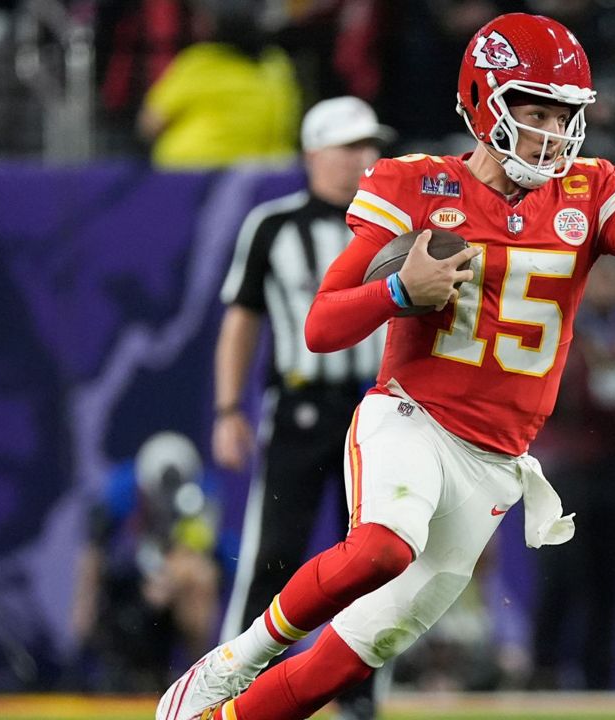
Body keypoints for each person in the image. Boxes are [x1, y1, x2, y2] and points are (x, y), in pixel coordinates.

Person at [157, 13, 615, 720]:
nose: (553, 133)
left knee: (355, 652)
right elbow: (321, 326)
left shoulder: (587, 191)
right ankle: (236, 660)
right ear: (483, 102)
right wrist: (401, 293)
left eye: (565, 115)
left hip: (495, 460)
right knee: (381, 547)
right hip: (411, 416)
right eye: (534, 112)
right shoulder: (415, 184)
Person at [212, 95, 394, 720]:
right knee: (274, 555)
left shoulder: (393, 223)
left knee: (370, 560)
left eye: (371, 147)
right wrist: (228, 407)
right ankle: (230, 685)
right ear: (314, 152)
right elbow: (242, 319)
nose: (364, 160)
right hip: (298, 409)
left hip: (376, 412)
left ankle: (361, 697)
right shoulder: (273, 224)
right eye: (350, 147)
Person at [527, 256, 615, 690]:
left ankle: (599, 681)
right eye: (599, 278)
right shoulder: (558, 336)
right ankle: (544, 672)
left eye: (614, 279)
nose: (607, 286)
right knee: (559, 576)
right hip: (565, 473)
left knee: (609, 581)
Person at [72, 432, 223, 692]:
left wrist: (169, 579)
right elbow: (94, 552)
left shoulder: (200, 496)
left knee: (201, 579)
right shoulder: (121, 491)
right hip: (128, 579)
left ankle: (201, 680)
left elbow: (197, 552)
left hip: (171, 580)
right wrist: (84, 604)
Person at [139, 2, 301, 168]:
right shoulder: (276, 62)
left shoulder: (201, 63)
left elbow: (151, 124)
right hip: (271, 172)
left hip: (193, 174)